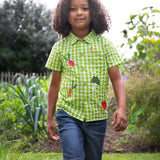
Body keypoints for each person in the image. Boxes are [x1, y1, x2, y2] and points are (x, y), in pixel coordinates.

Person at [45, 0, 127, 159]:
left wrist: (121, 108)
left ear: (94, 12)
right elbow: (54, 85)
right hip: (68, 114)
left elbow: (117, 80)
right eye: (73, 9)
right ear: (64, 15)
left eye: (85, 8)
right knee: (74, 156)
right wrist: (49, 118)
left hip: (97, 116)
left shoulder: (105, 45)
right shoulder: (59, 48)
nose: (79, 12)